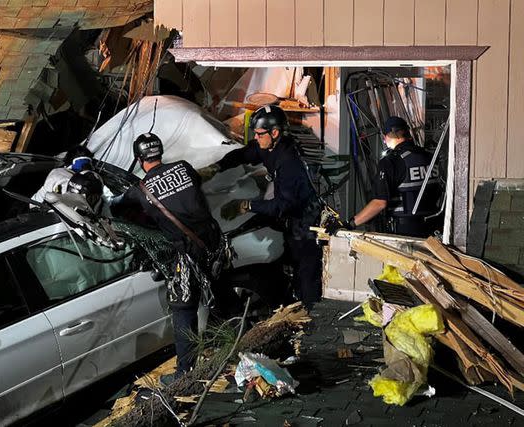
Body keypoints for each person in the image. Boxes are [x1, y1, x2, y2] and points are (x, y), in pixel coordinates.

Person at [115, 132, 222, 382]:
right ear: (160, 152)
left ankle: (186, 373)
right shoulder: (184, 167)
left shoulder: (140, 191)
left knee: (183, 309)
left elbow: (116, 206)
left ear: (139, 159)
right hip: (213, 243)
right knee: (219, 290)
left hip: (186, 255)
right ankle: (233, 338)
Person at [198, 105, 323, 310]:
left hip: (305, 221)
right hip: (288, 215)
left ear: (274, 133)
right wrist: (217, 167)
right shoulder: (268, 146)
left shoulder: (289, 162)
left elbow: (282, 205)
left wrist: (246, 205)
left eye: (259, 134)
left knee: (306, 270)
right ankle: (287, 294)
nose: (256, 138)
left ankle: (311, 317)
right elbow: (245, 154)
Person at [345, 116, 443, 237]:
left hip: (406, 232)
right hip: (435, 228)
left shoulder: (391, 162)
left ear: (387, 136)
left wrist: (350, 224)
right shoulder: (430, 157)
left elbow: (380, 203)